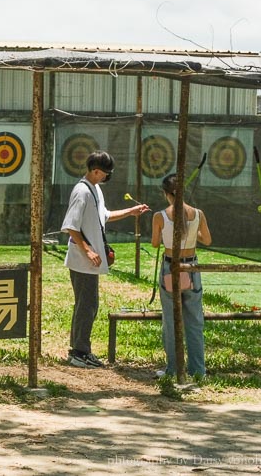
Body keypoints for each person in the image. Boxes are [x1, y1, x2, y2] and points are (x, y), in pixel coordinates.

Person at [61, 150, 149, 369]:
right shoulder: (82, 191)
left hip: (91, 261)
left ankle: (80, 349)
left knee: (88, 304)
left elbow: (105, 216)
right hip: (83, 260)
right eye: (105, 173)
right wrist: (88, 250)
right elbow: (70, 226)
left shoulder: (96, 189)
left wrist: (131, 212)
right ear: (95, 170)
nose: (106, 177)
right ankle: (79, 352)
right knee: (87, 305)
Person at [151, 173, 212, 379]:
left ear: (166, 194)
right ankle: (198, 371)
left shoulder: (160, 216)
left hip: (171, 267)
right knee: (194, 321)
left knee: (170, 320)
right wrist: (193, 233)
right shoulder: (198, 213)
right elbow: (207, 240)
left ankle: (173, 369)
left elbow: (155, 243)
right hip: (192, 267)